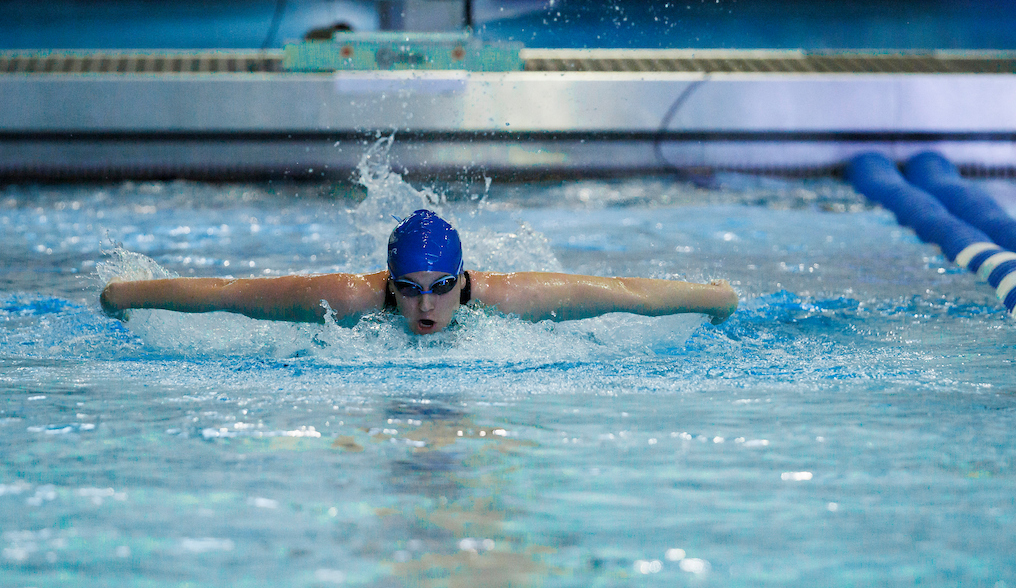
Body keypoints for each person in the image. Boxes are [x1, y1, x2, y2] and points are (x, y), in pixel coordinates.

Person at [100, 209, 738, 334]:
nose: (425, 309)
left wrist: (713, 297)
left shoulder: (512, 299)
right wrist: (122, 293)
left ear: (463, 283)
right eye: (408, 292)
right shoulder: (348, 301)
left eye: (438, 291)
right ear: (388, 284)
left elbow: (623, 295)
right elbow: (226, 296)